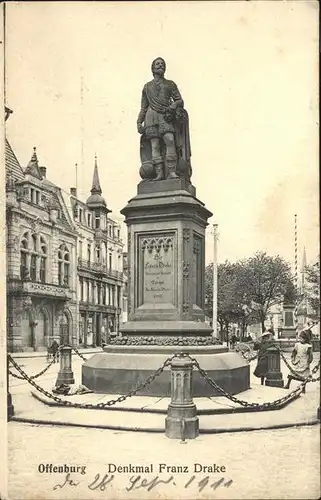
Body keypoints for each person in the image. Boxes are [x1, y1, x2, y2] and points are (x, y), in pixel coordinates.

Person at [137, 57, 192, 181]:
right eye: (157, 64)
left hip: (165, 115)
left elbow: (179, 100)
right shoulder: (147, 87)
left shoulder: (170, 84)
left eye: (162, 64)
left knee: (169, 140)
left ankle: (172, 172)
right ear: (152, 68)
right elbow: (144, 107)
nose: (160, 65)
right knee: (155, 145)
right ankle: (159, 174)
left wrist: (173, 106)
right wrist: (139, 121)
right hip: (151, 116)